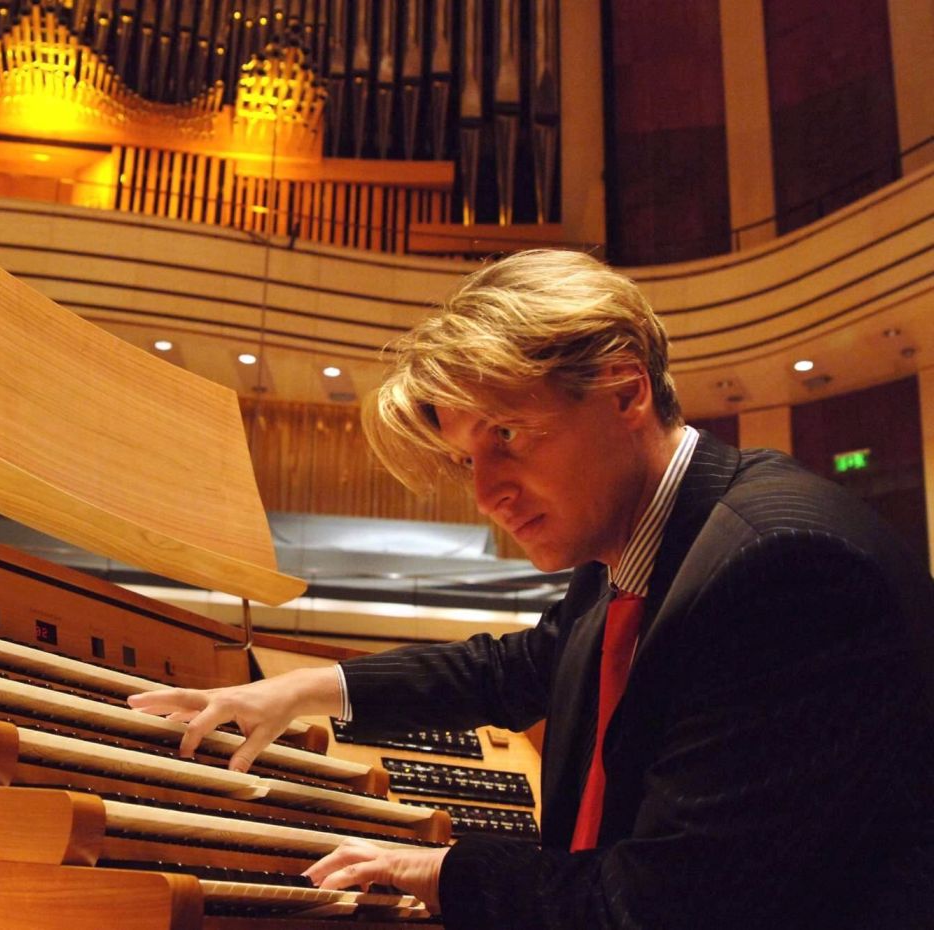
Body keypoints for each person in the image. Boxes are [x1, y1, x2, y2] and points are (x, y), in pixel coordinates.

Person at [130, 249, 934, 929]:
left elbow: (658, 907)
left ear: (625, 391)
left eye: (507, 436)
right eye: (466, 461)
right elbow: (519, 668)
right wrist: (304, 689)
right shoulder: (641, 546)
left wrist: (440, 870)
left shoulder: (781, 572)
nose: (486, 495)